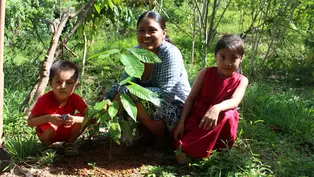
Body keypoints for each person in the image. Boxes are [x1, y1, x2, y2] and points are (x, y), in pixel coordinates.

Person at [103, 11, 190, 147]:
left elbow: (168, 94)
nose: (146, 35)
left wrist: (135, 98)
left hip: (174, 108)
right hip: (148, 107)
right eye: (141, 30)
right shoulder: (135, 52)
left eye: (152, 30)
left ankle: (161, 135)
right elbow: (123, 83)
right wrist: (105, 101)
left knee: (127, 92)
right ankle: (134, 135)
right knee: (119, 93)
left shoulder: (170, 53)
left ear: (164, 33)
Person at [173, 34, 249, 163]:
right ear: (216, 56)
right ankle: (193, 151)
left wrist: (217, 108)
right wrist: (181, 123)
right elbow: (191, 98)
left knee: (228, 114)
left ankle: (216, 149)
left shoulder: (242, 80)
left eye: (234, 58)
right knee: (183, 144)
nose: (227, 63)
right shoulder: (205, 73)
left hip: (221, 122)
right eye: (222, 57)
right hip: (199, 119)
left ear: (241, 58)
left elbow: (235, 101)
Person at [27, 60, 87, 156]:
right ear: (51, 83)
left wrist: (75, 119)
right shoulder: (44, 100)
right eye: (58, 82)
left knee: (81, 118)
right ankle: (48, 146)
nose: (63, 87)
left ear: (76, 85)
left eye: (69, 83)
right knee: (50, 125)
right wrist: (48, 118)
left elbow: (92, 118)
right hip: (48, 132)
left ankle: (69, 144)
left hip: (66, 130)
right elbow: (30, 122)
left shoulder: (76, 99)